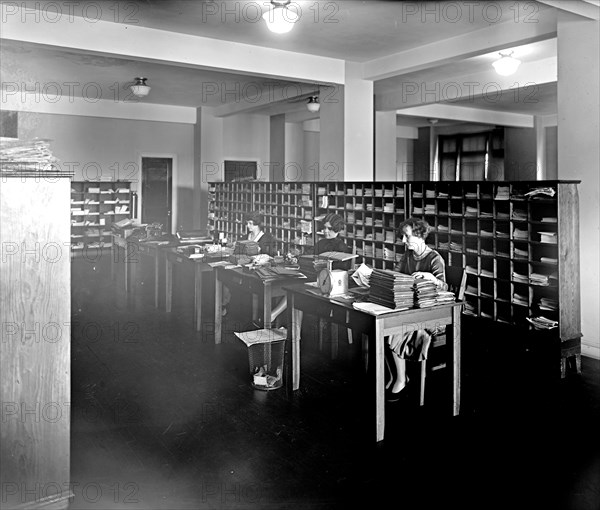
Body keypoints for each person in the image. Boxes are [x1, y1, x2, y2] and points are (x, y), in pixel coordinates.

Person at [386, 217, 448, 401]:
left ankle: (400, 379)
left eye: (406, 236)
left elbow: (444, 289)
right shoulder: (407, 256)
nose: (403, 241)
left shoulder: (434, 258)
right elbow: (397, 276)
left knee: (393, 329)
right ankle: (398, 375)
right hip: (410, 309)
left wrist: (432, 278)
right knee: (386, 326)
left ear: (420, 235)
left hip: (431, 316)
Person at [268, 213, 352, 325]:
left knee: (294, 290)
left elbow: (342, 270)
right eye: (324, 228)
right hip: (311, 278)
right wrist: (296, 258)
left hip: (327, 285)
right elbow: (307, 255)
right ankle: (280, 321)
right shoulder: (321, 243)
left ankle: (275, 316)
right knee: (291, 287)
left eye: (329, 228)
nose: (325, 231)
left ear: (337, 229)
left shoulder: (341, 247)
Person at [222, 211, 277, 316]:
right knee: (227, 278)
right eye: (247, 223)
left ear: (257, 223)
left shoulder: (266, 238)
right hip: (242, 269)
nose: (248, 226)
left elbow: (270, 256)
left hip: (257, 272)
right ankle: (228, 307)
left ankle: (250, 316)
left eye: (250, 223)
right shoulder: (245, 237)